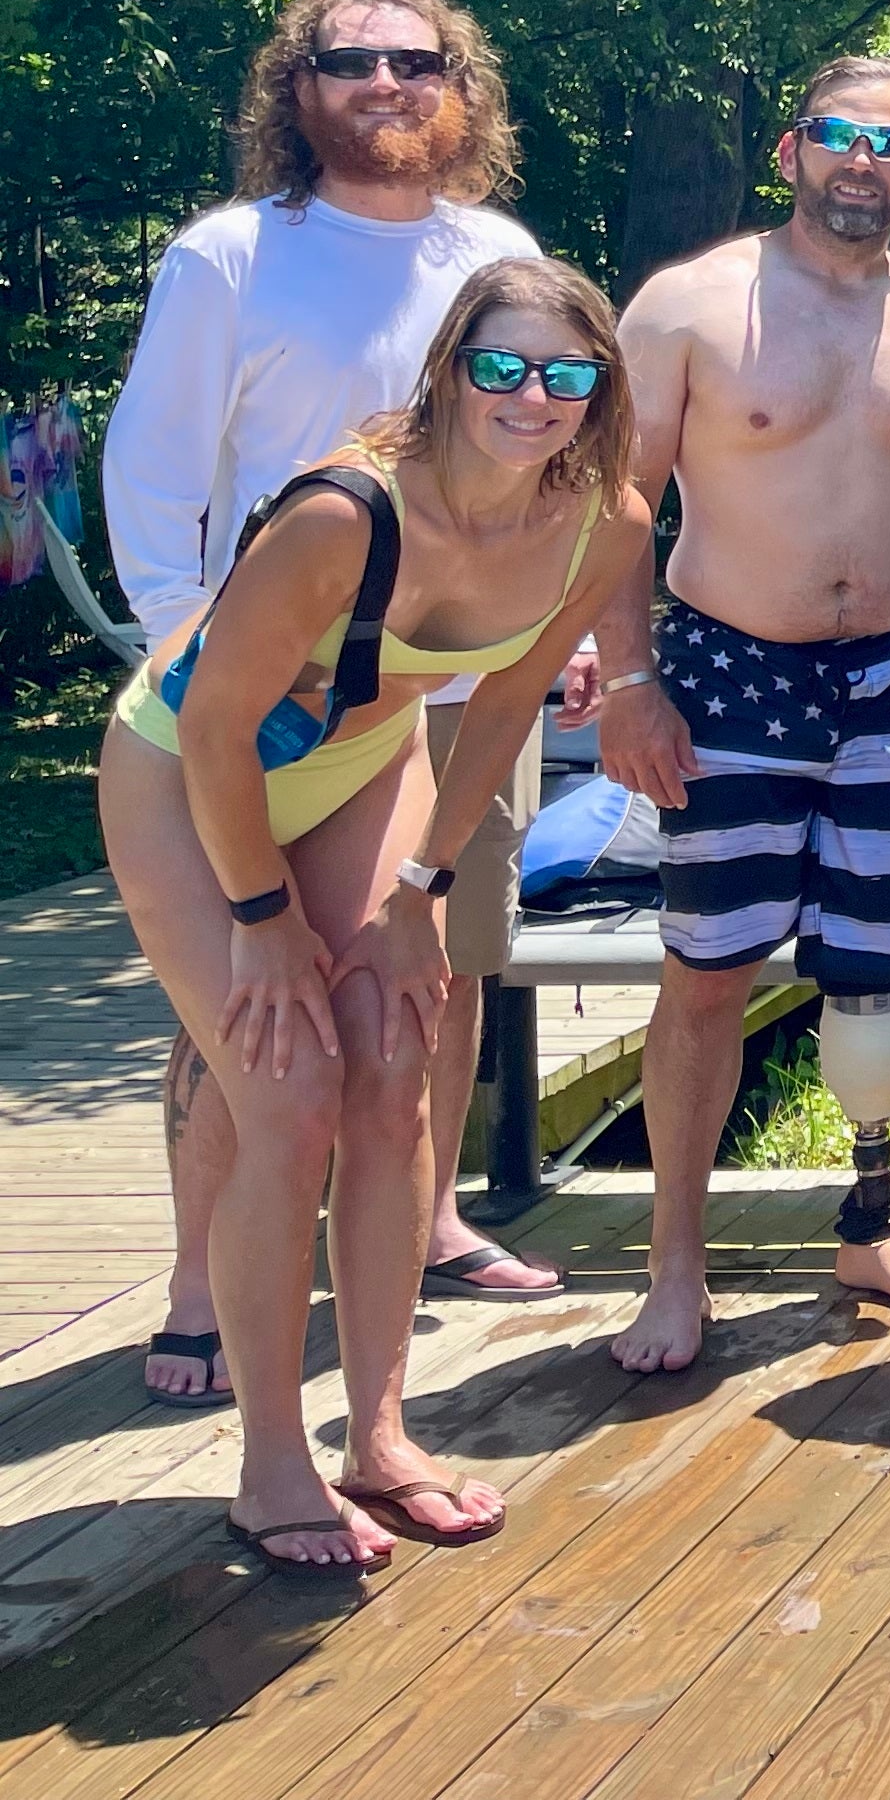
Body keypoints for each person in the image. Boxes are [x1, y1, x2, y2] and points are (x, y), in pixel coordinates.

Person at [95, 260, 651, 1564]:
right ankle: (274, 1464)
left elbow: (506, 703)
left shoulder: (603, 522)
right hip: (190, 777)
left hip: (362, 772)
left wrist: (422, 893)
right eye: (501, 366)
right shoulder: (343, 515)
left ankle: (383, 1433)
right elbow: (221, 722)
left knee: (397, 1059)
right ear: (450, 368)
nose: (532, 396)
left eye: (566, 374)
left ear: (599, 392)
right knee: (286, 1089)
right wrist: (262, 913)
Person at [102, 0, 569, 1408]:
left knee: (425, 979)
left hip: (443, 684)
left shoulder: (494, 250)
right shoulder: (232, 255)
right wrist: (213, 658)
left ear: (460, 88)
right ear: (294, 90)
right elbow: (155, 473)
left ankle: (423, 1225)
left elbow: (547, 447)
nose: (386, 84)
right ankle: (196, 1283)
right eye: (350, 61)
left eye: (416, 62)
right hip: (263, 689)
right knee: (247, 1013)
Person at [592, 57, 890, 1372]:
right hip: (727, 671)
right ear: (792, 151)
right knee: (708, 972)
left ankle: (871, 1220)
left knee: (883, 974)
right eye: (840, 136)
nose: (862, 162)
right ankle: (676, 1265)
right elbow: (615, 498)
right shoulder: (688, 306)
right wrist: (625, 677)